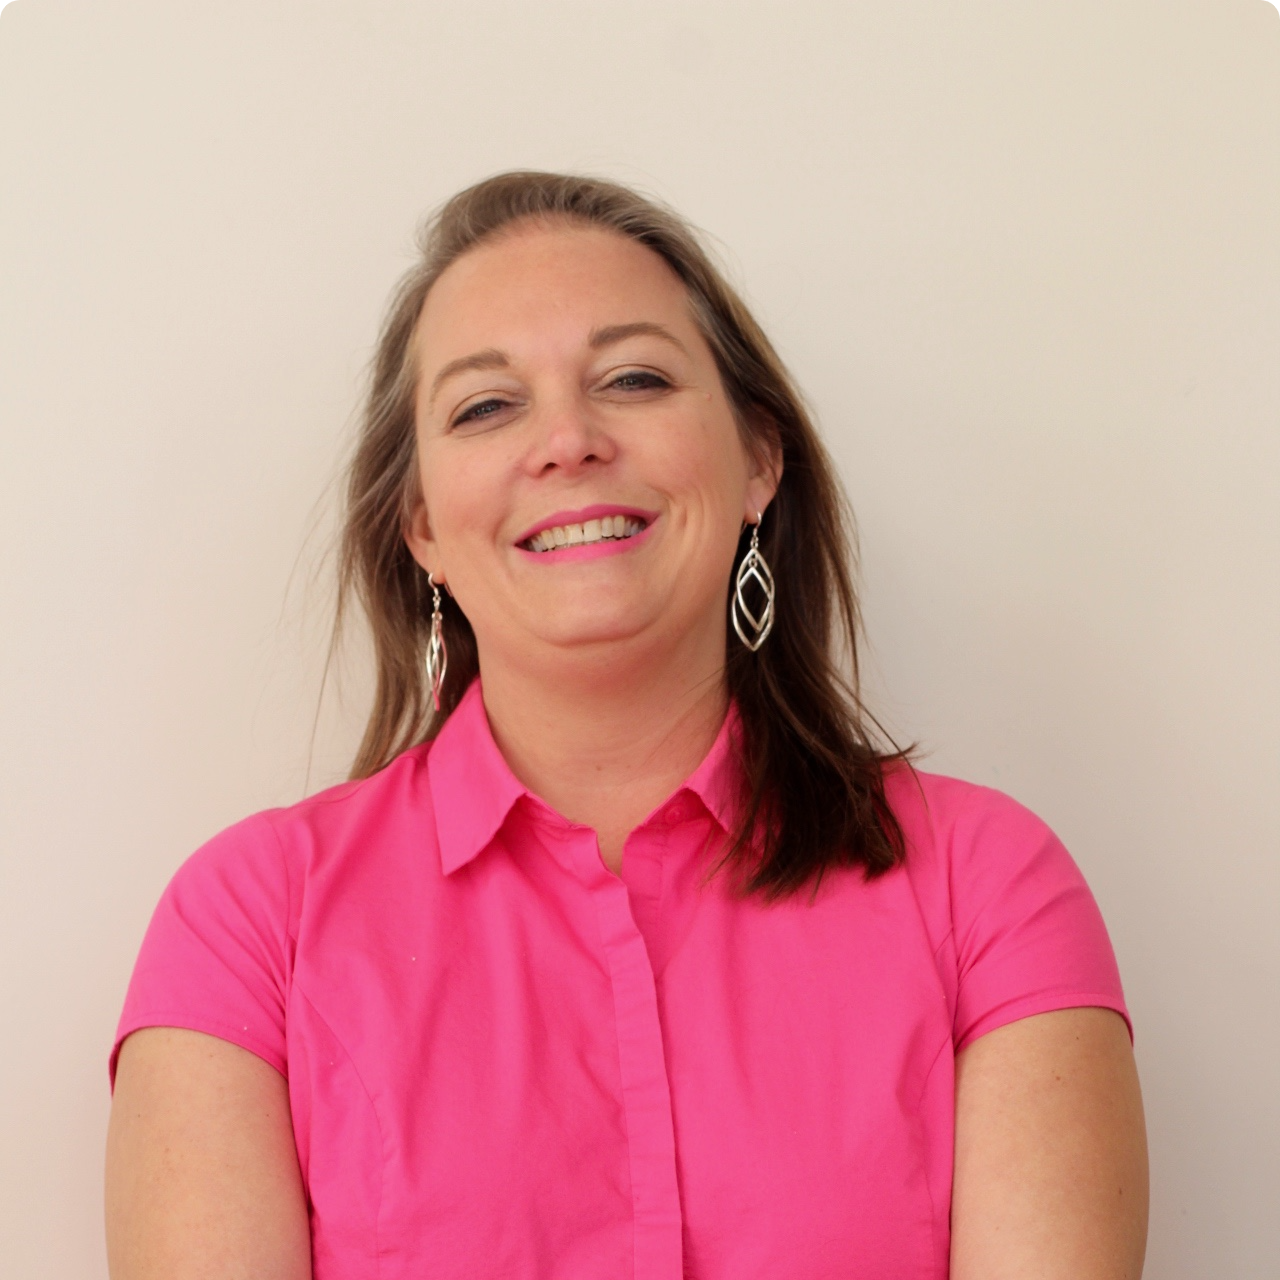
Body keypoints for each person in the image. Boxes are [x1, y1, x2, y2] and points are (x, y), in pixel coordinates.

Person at [104, 171, 1148, 1279]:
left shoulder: (984, 887)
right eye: (485, 405)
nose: (566, 439)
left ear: (757, 458)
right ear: (420, 523)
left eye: (634, 377)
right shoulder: (252, 924)